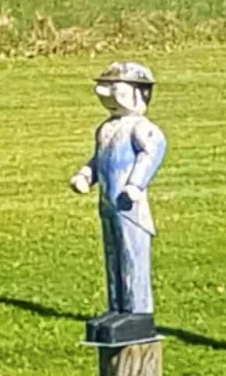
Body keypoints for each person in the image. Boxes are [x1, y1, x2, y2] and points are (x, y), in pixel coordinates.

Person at [70, 62, 167, 336]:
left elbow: (151, 154)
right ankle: (117, 306)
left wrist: (135, 184)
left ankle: (138, 310)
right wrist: (86, 175)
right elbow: (99, 158)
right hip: (108, 204)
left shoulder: (142, 128)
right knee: (113, 254)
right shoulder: (106, 128)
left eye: (115, 88)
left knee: (131, 252)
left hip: (129, 205)